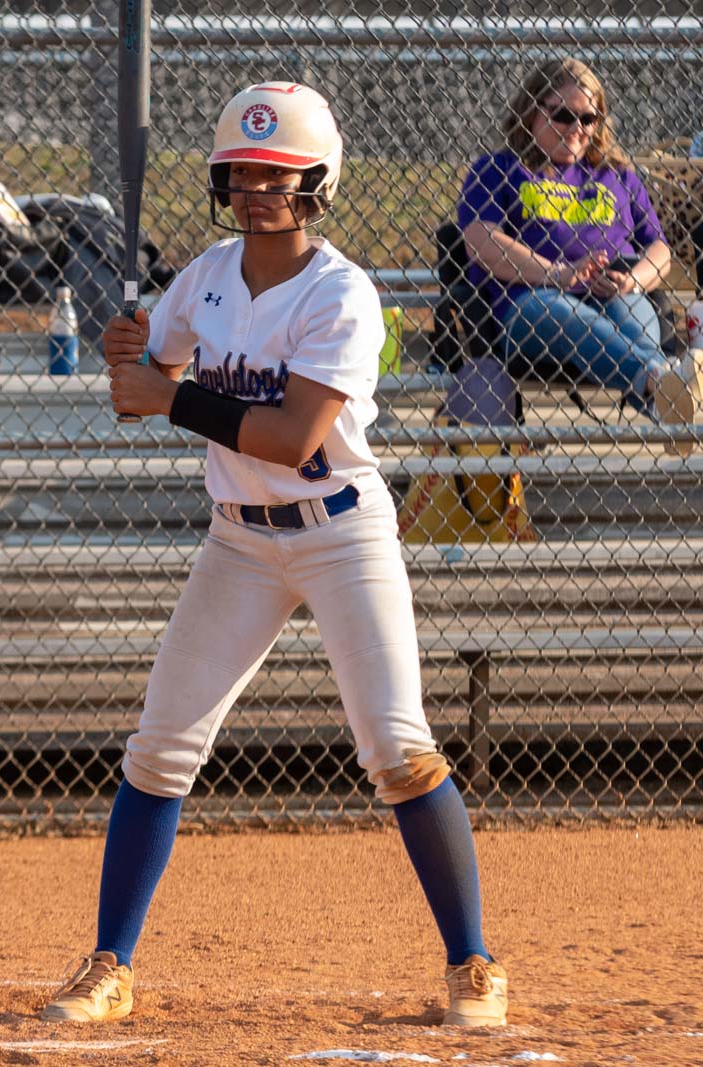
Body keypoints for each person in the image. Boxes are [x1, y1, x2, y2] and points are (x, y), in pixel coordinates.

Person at [40, 84, 509, 1029]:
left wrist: (165, 396)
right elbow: (150, 380)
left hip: (341, 532)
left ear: (317, 184)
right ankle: (109, 963)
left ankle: (474, 962)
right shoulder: (206, 276)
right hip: (240, 541)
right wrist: (133, 356)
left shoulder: (342, 293)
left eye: (279, 176)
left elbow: (295, 437)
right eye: (243, 174)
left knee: (397, 748)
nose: (258, 192)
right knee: (160, 746)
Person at [457, 58, 700, 436]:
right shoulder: (498, 168)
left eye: (588, 118)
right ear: (530, 111)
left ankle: (664, 404)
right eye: (563, 115)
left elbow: (659, 249)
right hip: (532, 301)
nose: (577, 128)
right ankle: (662, 381)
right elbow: (480, 241)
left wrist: (633, 280)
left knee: (631, 315)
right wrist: (558, 274)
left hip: (612, 291)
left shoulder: (617, 174)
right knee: (561, 310)